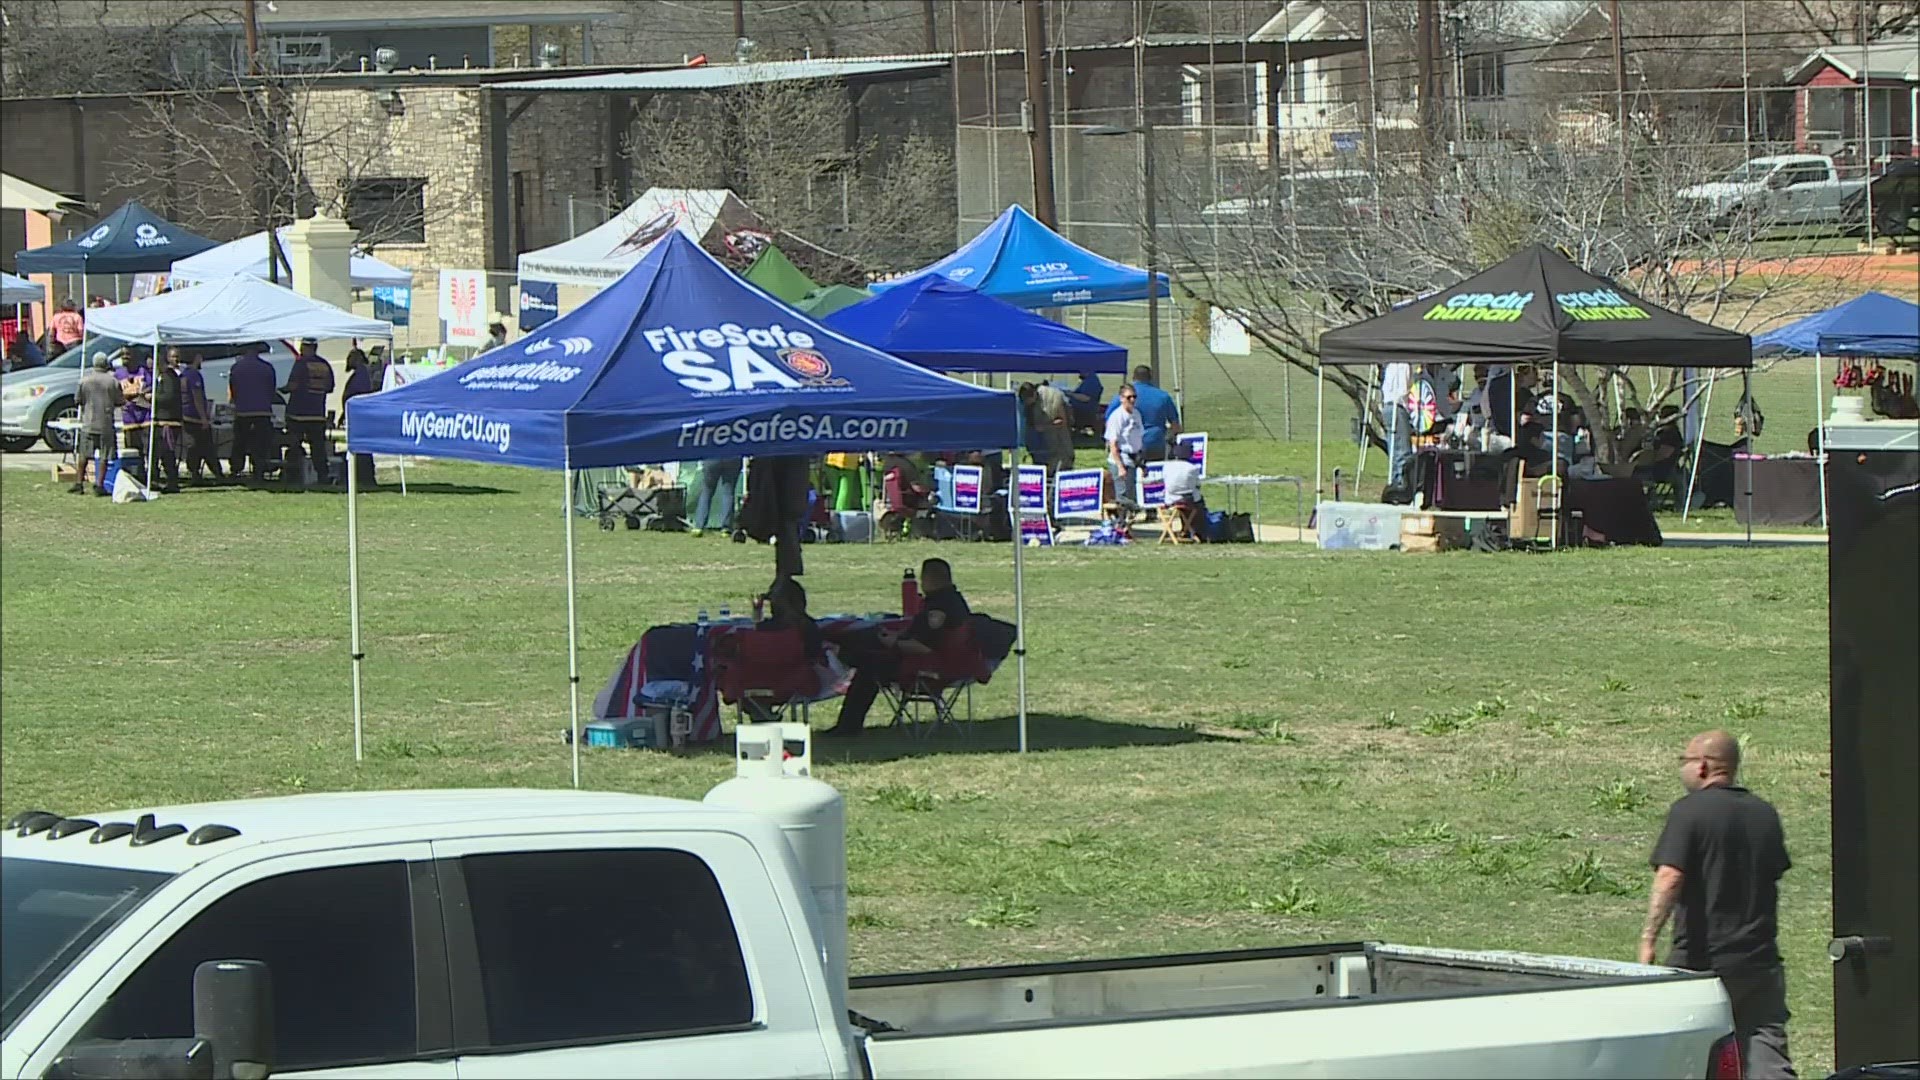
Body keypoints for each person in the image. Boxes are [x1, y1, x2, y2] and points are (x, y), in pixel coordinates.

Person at [1640, 730, 1796, 1079]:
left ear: (1703, 767)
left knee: (1690, 1055)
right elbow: (1773, 873)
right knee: (1766, 1050)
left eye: (1684, 760)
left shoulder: (1689, 812)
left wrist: (1648, 940)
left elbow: (1670, 876)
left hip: (1702, 962)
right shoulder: (1764, 813)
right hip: (1759, 961)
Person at [826, 557, 970, 738]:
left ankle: (848, 725)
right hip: (946, 662)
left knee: (868, 666)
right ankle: (848, 720)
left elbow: (925, 646)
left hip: (928, 667)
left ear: (931, 578)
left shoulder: (939, 607)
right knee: (868, 655)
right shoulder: (954, 600)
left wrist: (894, 643)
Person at [282, 338, 335, 486]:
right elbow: (330, 387)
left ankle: (294, 474)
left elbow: (293, 385)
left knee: (294, 445)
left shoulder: (301, 364)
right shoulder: (324, 365)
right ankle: (322, 475)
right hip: (317, 413)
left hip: (298, 413)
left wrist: (282, 389)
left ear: (305, 347)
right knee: (318, 448)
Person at [72, 353, 124, 496]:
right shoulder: (113, 381)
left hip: (88, 422)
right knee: (104, 455)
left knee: (83, 454)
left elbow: (77, 400)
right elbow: (120, 400)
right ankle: (99, 485)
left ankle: (79, 483)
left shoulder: (84, 381)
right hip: (106, 423)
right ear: (106, 364)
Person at [228, 341, 278, 482]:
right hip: (262, 411)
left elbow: (234, 390)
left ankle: (236, 469)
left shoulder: (236, 368)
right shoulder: (268, 368)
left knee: (240, 443)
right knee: (260, 444)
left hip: (243, 411)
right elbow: (271, 390)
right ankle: (259, 470)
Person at [1106, 364, 1180, 458]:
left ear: (1133, 377)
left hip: (1128, 444)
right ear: (1150, 378)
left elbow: (1109, 419)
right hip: (1154, 442)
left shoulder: (1123, 397)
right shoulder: (1163, 397)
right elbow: (1175, 424)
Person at [178, 351, 224, 485]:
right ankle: (216, 474)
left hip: (186, 416)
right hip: (195, 417)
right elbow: (197, 396)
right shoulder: (194, 375)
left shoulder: (183, 374)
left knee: (194, 447)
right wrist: (204, 418)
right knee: (206, 447)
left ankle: (196, 473)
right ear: (197, 358)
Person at [145, 347, 185, 494]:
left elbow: (169, 397)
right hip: (160, 421)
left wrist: (153, 398)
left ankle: (172, 482)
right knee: (158, 452)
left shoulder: (169, 376)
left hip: (169, 421)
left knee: (167, 452)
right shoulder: (161, 377)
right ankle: (155, 479)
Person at [1019, 381, 1075, 474]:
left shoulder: (1053, 397)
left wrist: (1046, 427)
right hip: (1038, 444)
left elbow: (1062, 421)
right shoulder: (1027, 406)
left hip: (1057, 442)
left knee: (1060, 468)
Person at [1104, 383, 1145, 507]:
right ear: (1121, 398)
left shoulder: (1136, 414)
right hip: (1121, 459)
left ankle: (1127, 521)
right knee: (1122, 495)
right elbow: (1113, 444)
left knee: (1131, 492)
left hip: (1134, 458)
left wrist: (1142, 462)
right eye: (1128, 397)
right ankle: (1121, 523)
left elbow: (1139, 437)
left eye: (1134, 397)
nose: (1132, 400)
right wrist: (1120, 467)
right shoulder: (1116, 417)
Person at [340, 348, 376, 488]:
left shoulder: (361, 374)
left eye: (350, 357)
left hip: (360, 417)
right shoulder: (359, 373)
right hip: (355, 416)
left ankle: (365, 476)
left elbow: (357, 395)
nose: (347, 361)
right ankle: (362, 476)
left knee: (362, 448)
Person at [1381, 362, 1414, 496]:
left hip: (1388, 405)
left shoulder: (1390, 364)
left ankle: (1396, 480)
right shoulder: (1403, 365)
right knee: (1402, 449)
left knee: (1394, 447)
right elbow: (1403, 390)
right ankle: (1401, 484)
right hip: (1397, 406)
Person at [1161, 438, 1206, 537]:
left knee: (1189, 501)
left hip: (1170, 499)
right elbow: (1197, 485)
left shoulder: (1167, 466)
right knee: (1198, 502)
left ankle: (1186, 529)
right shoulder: (1192, 468)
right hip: (1187, 500)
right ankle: (1197, 531)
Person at [688, 457, 743, 536]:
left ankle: (699, 526)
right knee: (728, 492)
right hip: (732, 456)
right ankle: (726, 528)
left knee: (706, 491)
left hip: (712, 456)